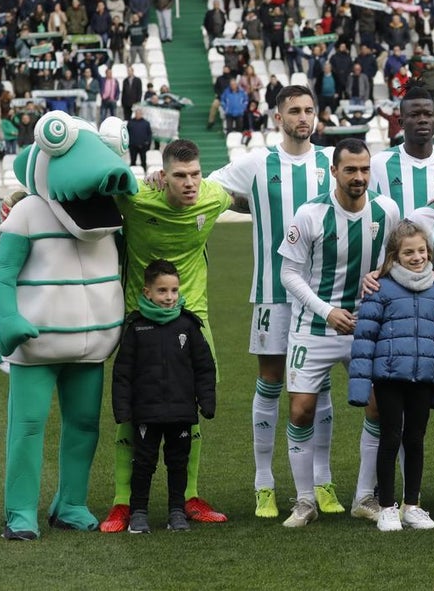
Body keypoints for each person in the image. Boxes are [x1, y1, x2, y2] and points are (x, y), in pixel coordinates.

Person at [207, 86, 342, 519]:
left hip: (324, 295)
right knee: (270, 382)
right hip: (273, 292)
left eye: (309, 110)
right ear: (277, 118)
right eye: (294, 111)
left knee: (318, 387)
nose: (303, 117)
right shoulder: (257, 163)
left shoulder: (330, 162)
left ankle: (322, 481)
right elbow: (207, 188)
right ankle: (264, 482)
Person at [100, 140, 235, 532]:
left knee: (191, 405)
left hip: (193, 318)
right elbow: (85, 192)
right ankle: (122, 503)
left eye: (195, 174)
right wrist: (19, 196)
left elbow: (245, 198)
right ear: (164, 174)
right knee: (132, 408)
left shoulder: (212, 197)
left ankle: (188, 498)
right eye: (180, 176)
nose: (190, 183)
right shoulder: (137, 198)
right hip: (139, 317)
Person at [278, 138, 401, 527]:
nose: (359, 177)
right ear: (334, 171)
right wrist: (327, 311)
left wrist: (380, 274)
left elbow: (392, 259)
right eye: (350, 170)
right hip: (314, 325)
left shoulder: (386, 210)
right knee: (301, 410)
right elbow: (289, 274)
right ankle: (304, 500)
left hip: (365, 327)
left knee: (379, 406)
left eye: (364, 169)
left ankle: (365, 496)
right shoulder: (310, 214)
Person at [348, 221, 434, 532]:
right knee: (390, 438)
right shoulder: (380, 287)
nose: (416, 257)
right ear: (394, 255)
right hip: (389, 377)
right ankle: (388, 506)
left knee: (415, 440)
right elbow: (364, 339)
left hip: (423, 377)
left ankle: (412, 505)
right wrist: (361, 386)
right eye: (408, 252)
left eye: (421, 251)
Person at [112, 260, 217, 535]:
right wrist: (122, 409)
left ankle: (176, 512)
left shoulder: (189, 325)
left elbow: (204, 366)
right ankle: (138, 512)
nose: (169, 297)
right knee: (144, 463)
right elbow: (122, 372)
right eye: (162, 291)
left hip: (181, 412)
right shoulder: (136, 328)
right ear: (147, 292)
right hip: (145, 413)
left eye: (173, 290)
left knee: (177, 463)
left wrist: (207, 400)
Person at [369, 84, 434, 217]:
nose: (423, 120)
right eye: (415, 115)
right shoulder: (378, 164)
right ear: (401, 123)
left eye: (428, 114)